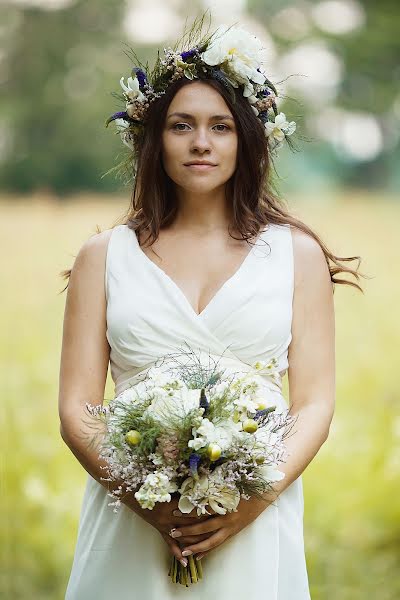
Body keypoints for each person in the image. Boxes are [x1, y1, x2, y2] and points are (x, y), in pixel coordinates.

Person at [58, 17, 363, 599]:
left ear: (247, 138)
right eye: (182, 126)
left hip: (250, 515)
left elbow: (316, 402)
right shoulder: (103, 257)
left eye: (221, 126)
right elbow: (76, 407)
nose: (202, 142)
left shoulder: (295, 255)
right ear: (154, 139)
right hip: (132, 515)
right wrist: (146, 498)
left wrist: (253, 500)